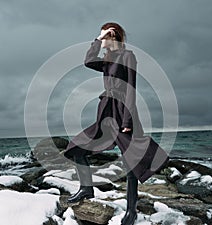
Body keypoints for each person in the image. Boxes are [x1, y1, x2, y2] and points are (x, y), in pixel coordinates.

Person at [63, 22, 169, 225]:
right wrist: (98, 39)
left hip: (123, 111)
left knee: (131, 160)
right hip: (105, 111)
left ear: (114, 35)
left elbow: (130, 88)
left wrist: (128, 120)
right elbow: (88, 61)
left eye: (105, 35)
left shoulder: (128, 56)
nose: (102, 39)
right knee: (76, 148)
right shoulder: (106, 60)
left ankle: (131, 211)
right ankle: (86, 188)